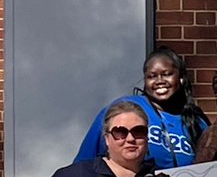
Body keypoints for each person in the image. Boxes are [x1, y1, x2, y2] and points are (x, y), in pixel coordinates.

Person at [76, 47, 209, 169]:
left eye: (167, 74)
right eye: (152, 76)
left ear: (181, 78)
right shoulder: (125, 109)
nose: (160, 80)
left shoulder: (196, 122)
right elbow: (84, 162)